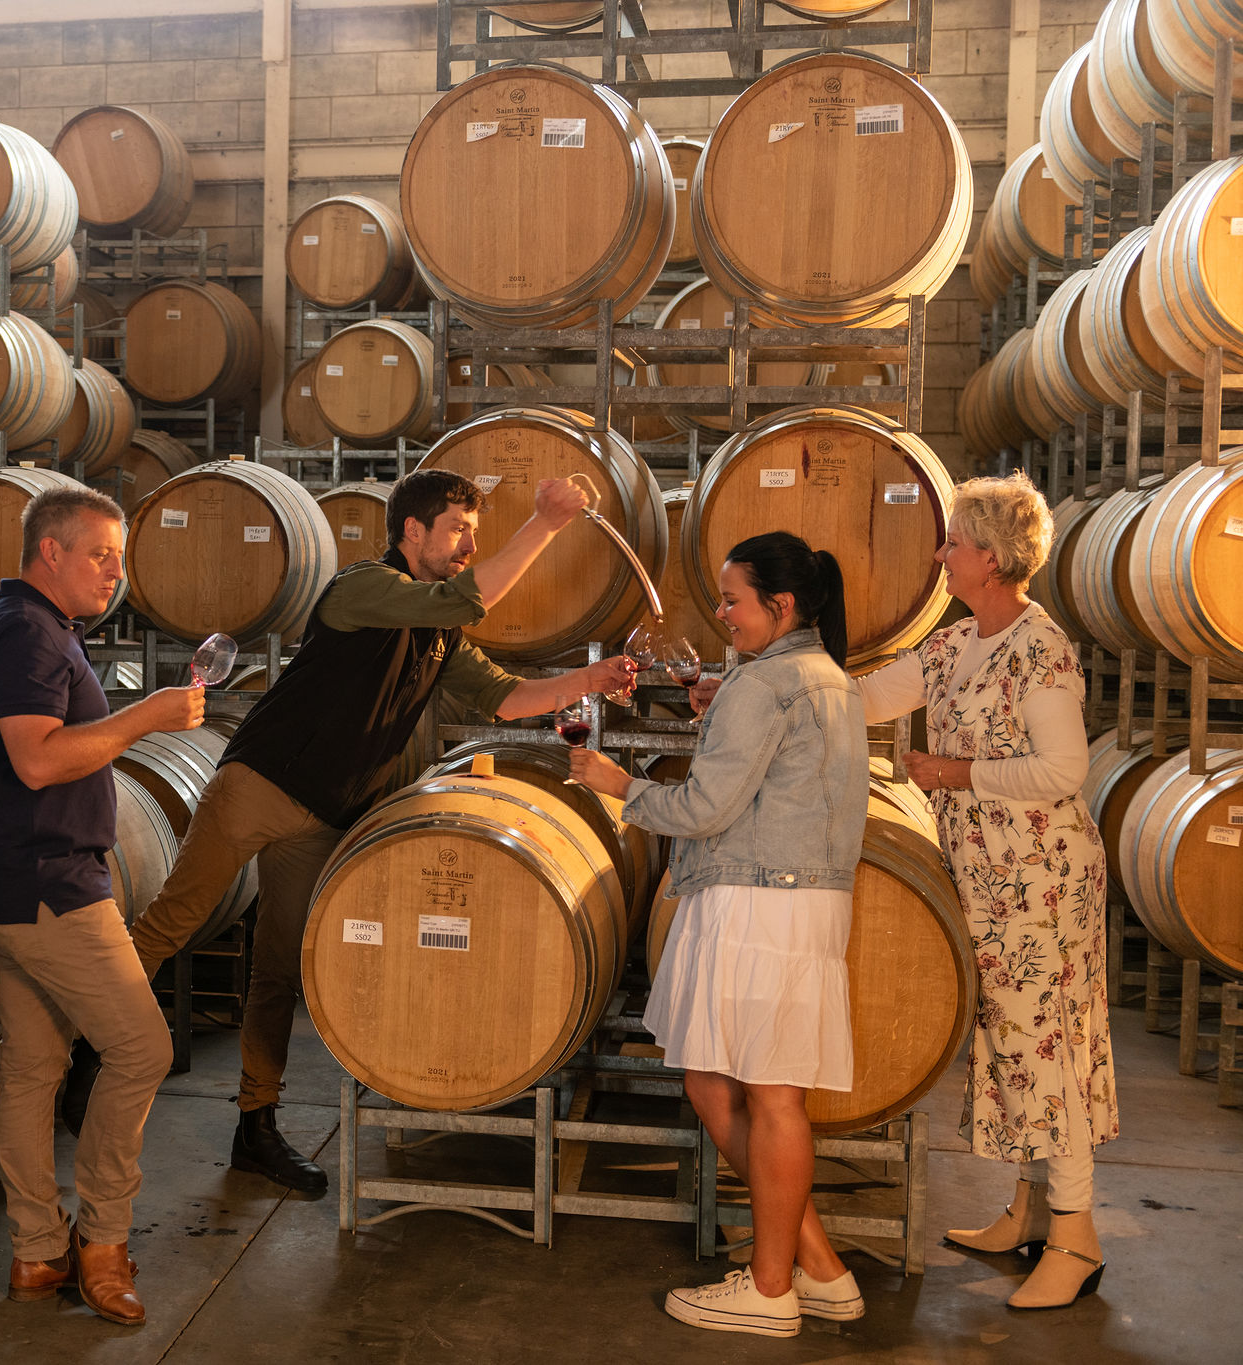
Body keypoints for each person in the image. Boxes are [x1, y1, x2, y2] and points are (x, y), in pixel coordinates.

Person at [121, 467, 636, 1194]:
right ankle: (85, 1050)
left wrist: (592, 679)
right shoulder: (363, 588)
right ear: (412, 531)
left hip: (326, 809)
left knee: (278, 969)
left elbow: (510, 698)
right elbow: (464, 595)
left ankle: (255, 1123)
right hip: (260, 786)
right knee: (171, 923)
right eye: (458, 531)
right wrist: (545, 523)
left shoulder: (437, 630)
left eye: (474, 535)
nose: (467, 546)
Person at [572, 531, 867, 1338]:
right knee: (717, 1084)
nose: (721, 612)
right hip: (791, 899)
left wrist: (618, 785)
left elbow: (703, 808)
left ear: (781, 606)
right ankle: (821, 1267)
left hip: (758, 901)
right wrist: (724, 704)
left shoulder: (767, 684)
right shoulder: (817, 676)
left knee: (769, 1097)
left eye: (734, 599)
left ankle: (770, 1289)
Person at [856, 472, 1116, 1311]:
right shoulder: (956, 640)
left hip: (1042, 878)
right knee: (1014, 1041)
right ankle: (1032, 1209)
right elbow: (867, 696)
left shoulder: (1040, 647)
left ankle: (1075, 1237)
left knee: (1053, 1046)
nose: (941, 553)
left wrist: (953, 772)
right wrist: (774, 691)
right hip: (991, 873)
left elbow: (1064, 769)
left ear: (995, 559)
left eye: (955, 541)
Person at [0, 485, 204, 1327]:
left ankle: (36, 1251)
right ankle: (102, 1242)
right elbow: (37, 760)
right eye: (100, 553)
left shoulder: (31, 625)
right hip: (48, 883)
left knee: (33, 1068)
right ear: (49, 552)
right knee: (142, 1049)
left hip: (11, 877)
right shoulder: (29, 632)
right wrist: (150, 716)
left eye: (119, 555)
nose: (115, 571)